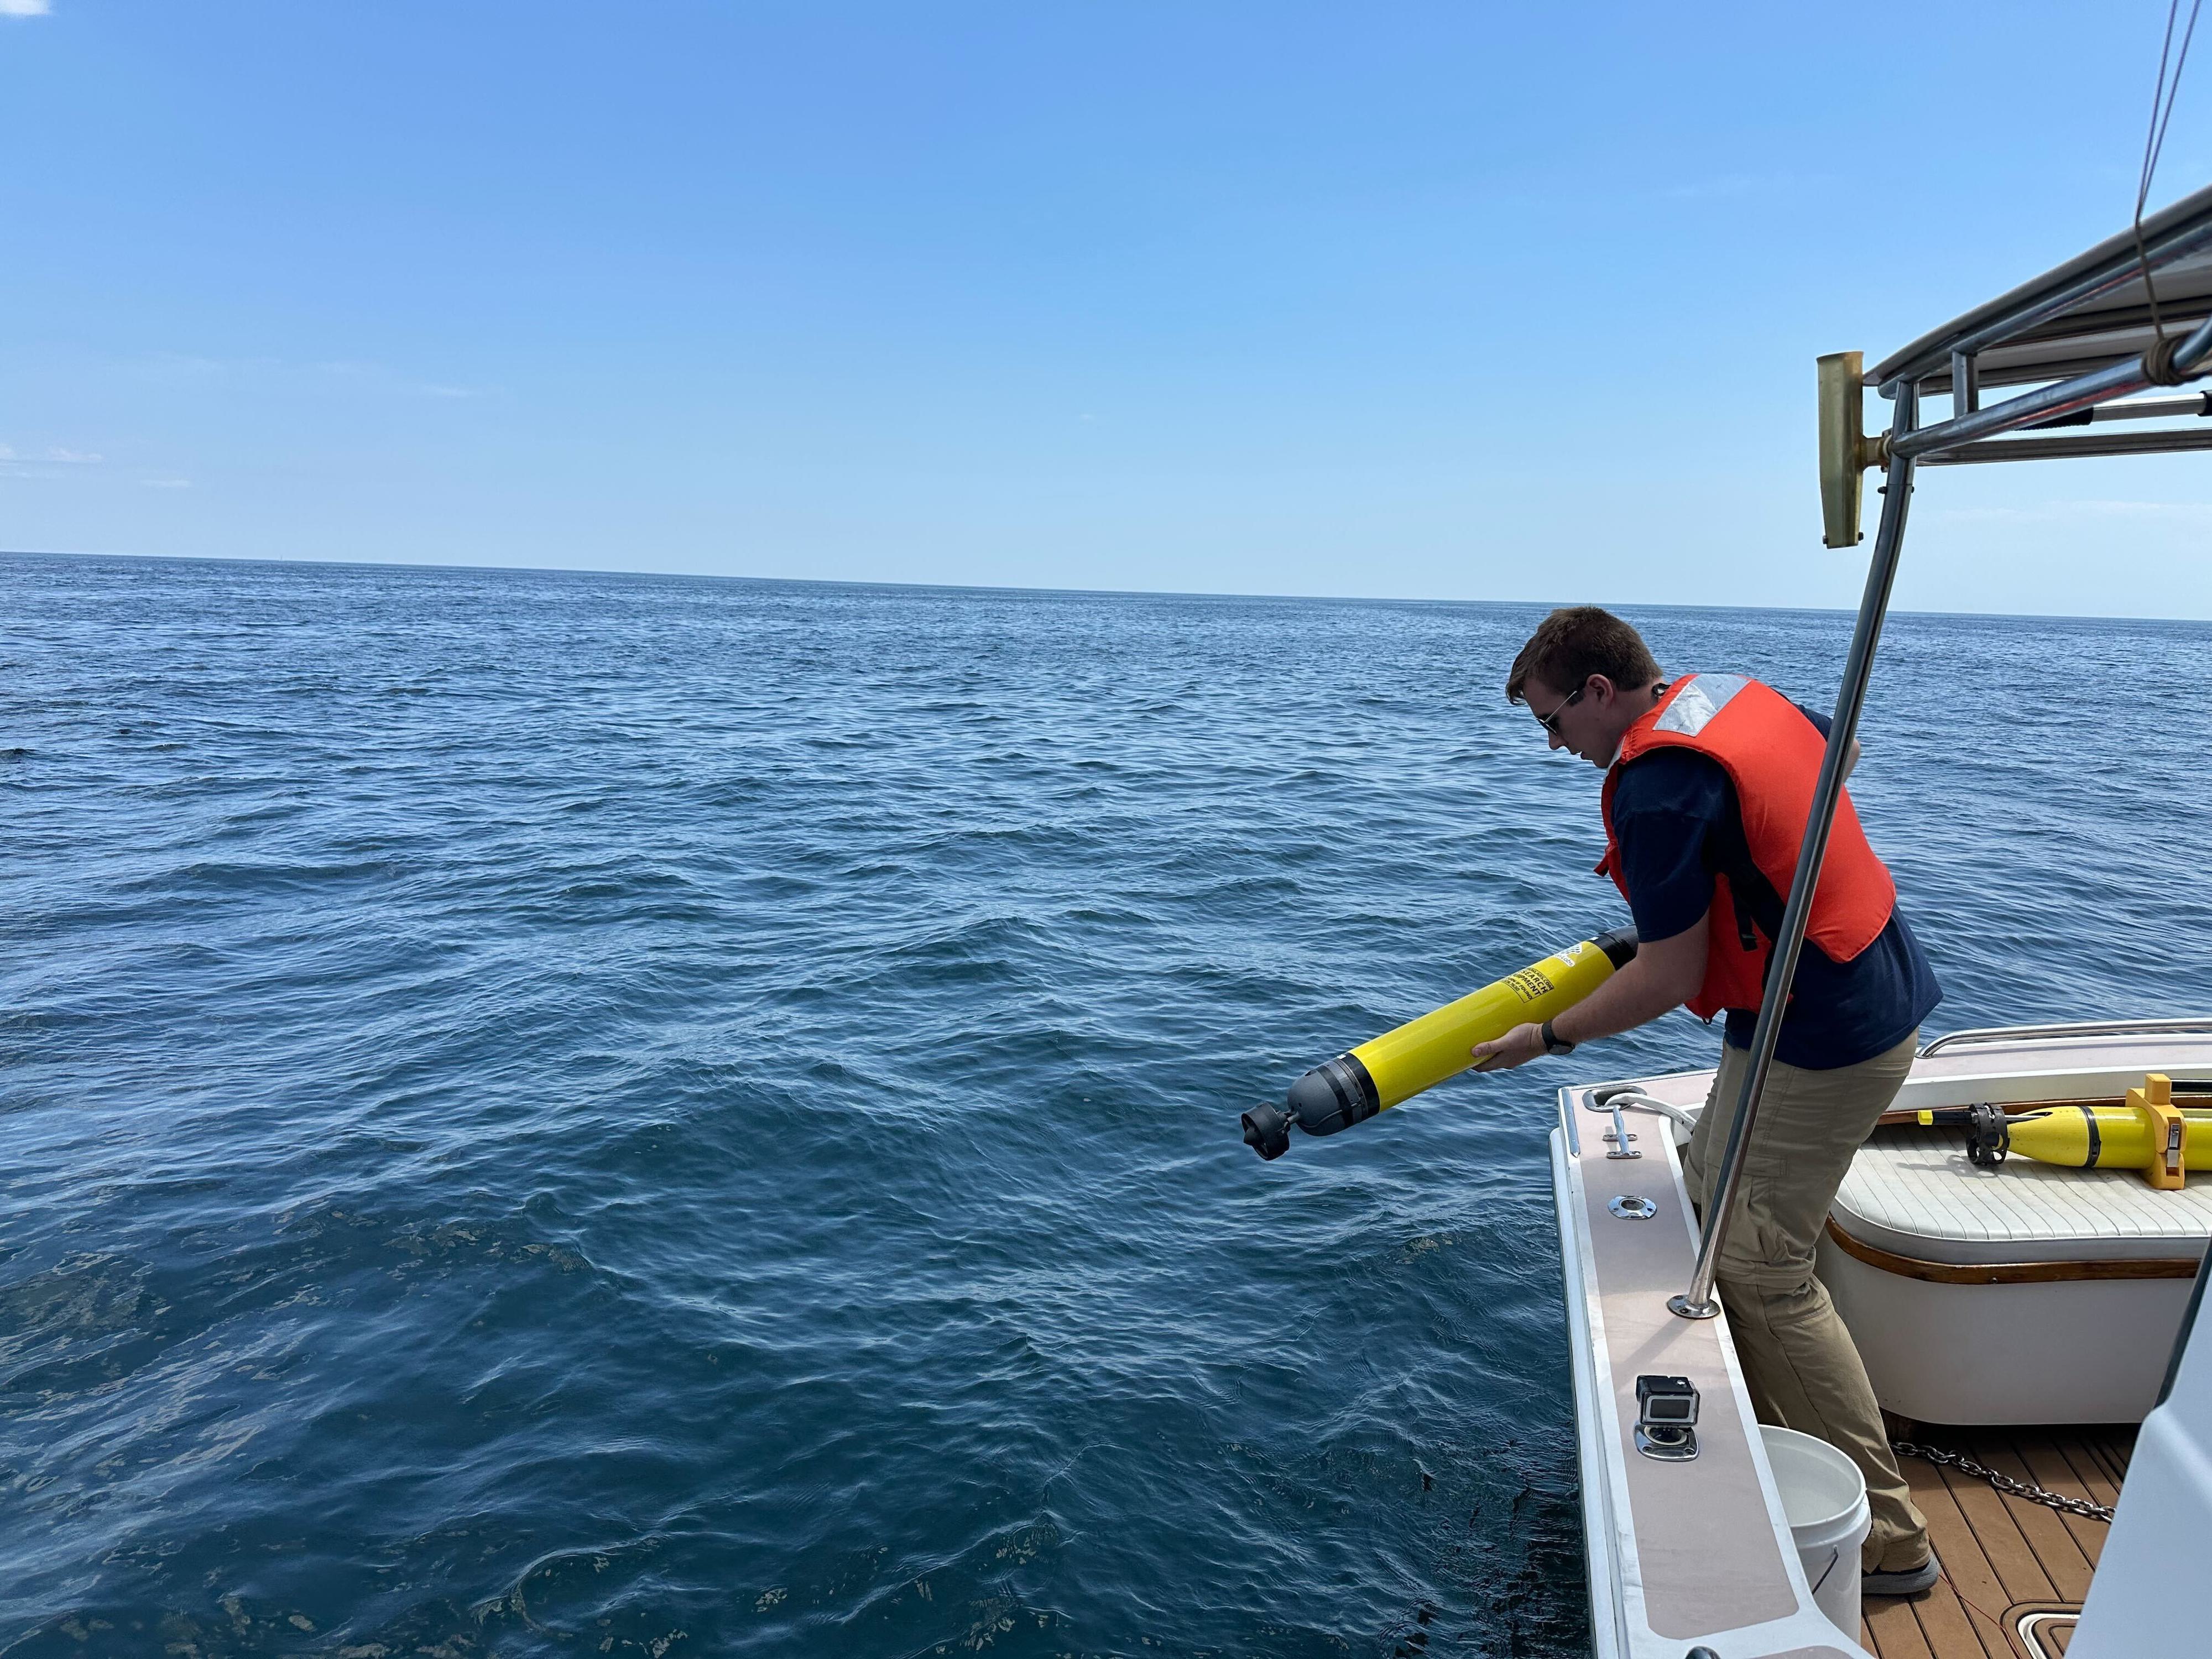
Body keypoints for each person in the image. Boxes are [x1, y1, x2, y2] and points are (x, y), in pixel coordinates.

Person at [1470, 606, 1944, 1598]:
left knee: (1759, 1267)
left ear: (1600, 692)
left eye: (1555, 723)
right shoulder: (1727, 698)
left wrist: (1545, 1038)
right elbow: (1838, 745)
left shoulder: (1656, 789)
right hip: (1864, 985)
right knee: (1705, 1197)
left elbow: (1665, 974)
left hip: (1820, 1035)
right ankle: (1781, 1428)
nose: (1557, 748)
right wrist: (1754, 865)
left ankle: (1891, 1545)